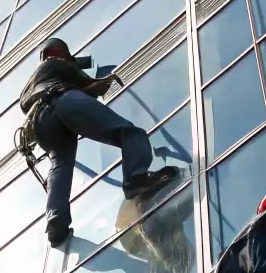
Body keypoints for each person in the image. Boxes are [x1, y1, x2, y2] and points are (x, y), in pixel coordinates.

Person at [19, 37, 179, 248]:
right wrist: (103, 80)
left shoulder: (29, 86)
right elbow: (89, 87)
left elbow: (25, 105)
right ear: (57, 54)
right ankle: (135, 179)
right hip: (63, 101)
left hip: (38, 123)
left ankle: (56, 222)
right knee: (130, 133)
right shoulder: (55, 64)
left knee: (60, 165)